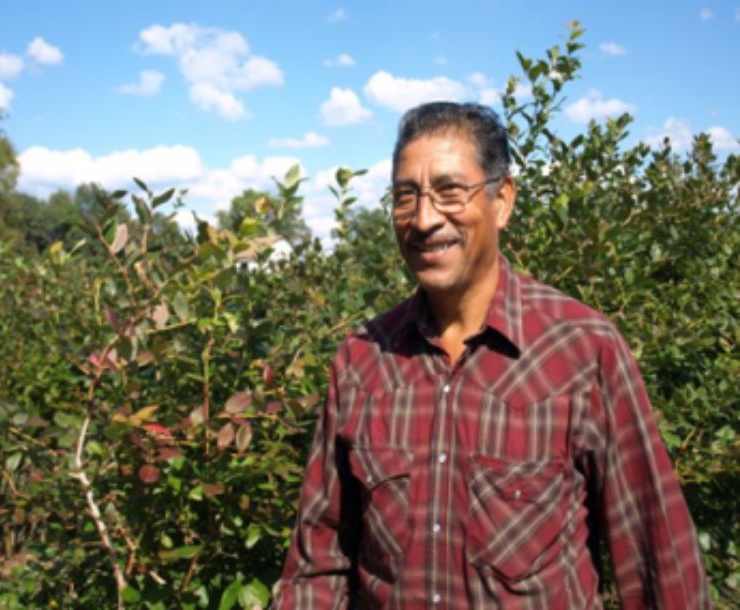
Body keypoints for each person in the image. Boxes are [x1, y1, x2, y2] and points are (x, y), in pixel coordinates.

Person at [271, 102, 710, 609]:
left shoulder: (582, 350)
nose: (424, 219)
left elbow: (657, 556)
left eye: (450, 192)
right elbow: (319, 562)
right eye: (405, 196)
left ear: (502, 201)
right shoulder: (363, 361)